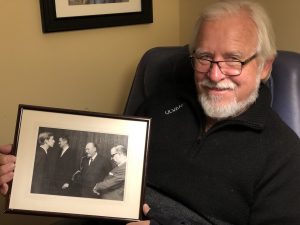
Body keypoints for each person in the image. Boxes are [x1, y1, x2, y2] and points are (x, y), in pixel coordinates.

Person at [1, 0, 300, 224]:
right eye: (204, 57)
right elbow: (108, 168)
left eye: (233, 60)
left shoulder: (284, 155)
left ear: (265, 67)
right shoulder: (162, 103)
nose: (215, 74)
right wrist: (29, 168)